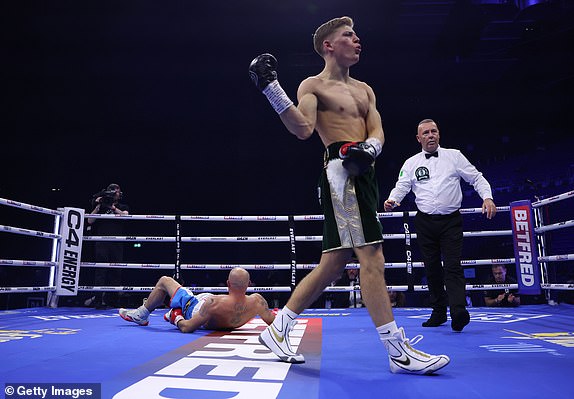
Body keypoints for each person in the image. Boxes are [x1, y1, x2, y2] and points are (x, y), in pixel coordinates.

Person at [249, 16, 449, 374]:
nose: (357, 41)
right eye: (349, 36)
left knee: (335, 261)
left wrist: (369, 150)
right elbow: (303, 129)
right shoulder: (313, 85)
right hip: (342, 171)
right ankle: (397, 351)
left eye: (357, 36)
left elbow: (378, 130)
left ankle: (279, 329)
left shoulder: (365, 89)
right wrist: (271, 89)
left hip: (364, 168)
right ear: (329, 45)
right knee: (372, 257)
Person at [383, 119, 497, 332]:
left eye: (433, 131)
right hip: (425, 221)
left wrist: (487, 198)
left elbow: (476, 178)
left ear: (439, 134)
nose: (430, 135)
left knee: (453, 266)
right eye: (425, 133)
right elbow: (402, 185)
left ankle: (458, 311)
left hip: (451, 221)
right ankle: (438, 312)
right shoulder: (411, 163)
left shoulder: (454, 156)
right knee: (432, 268)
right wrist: (393, 200)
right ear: (419, 138)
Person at [119, 267, 276, 332]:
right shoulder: (257, 301)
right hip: (204, 303)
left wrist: (177, 317)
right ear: (249, 284)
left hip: (193, 308)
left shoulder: (214, 304)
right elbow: (275, 323)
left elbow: (187, 327)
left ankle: (142, 315)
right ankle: (172, 308)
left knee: (164, 280)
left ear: (228, 283)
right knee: (198, 295)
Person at [84, 183, 129, 308]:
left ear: (119, 194)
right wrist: (98, 205)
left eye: (117, 192)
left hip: (117, 242)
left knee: (116, 271)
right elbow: (90, 220)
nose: (115, 194)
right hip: (102, 241)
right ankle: (98, 300)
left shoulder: (122, 206)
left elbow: (125, 216)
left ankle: (113, 300)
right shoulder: (100, 206)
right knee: (100, 270)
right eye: (112, 191)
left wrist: (113, 208)